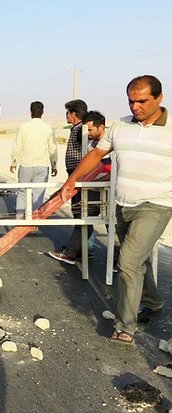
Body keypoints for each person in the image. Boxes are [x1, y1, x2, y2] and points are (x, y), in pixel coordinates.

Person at [58, 75, 172, 343]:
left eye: (142, 101)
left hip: (157, 205)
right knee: (138, 257)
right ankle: (153, 301)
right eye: (131, 101)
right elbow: (96, 154)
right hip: (122, 204)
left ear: (159, 98)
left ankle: (125, 326)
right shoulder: (119, 126)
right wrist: (71, 181)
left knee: (129, 261)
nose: (135, 107)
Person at [48, 111, 111, 265]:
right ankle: (80, 251)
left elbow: (112, 171)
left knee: (111, 225)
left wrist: (93, 182)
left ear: (101, 127)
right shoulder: (90, 146)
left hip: (107, 190)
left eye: (89, 130)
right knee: (83, 219)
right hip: (92, 189)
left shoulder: (110, 144)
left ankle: (114, 259)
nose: (87, 133)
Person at [10, 101, 58, 216]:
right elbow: (53, 148)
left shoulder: (23, 127)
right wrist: (54, 165)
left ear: (30, 112)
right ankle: (34, 222)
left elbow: (17, 146)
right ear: (42, 112)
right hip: (42, 166)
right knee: (38, 195)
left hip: (26, 165)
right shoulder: (48, 128)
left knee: (22, 193)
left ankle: (20, 220)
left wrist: (14, 163)